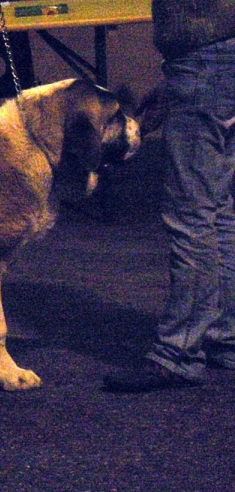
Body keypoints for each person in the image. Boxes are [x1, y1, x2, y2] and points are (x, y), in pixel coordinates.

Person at [104, 0, 235, 392]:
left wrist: (192, 75)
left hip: (206, 62)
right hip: (218, 61)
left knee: (192, 214)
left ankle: (177, 354)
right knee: (220, 211)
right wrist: (179, 78)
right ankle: (224, 336)